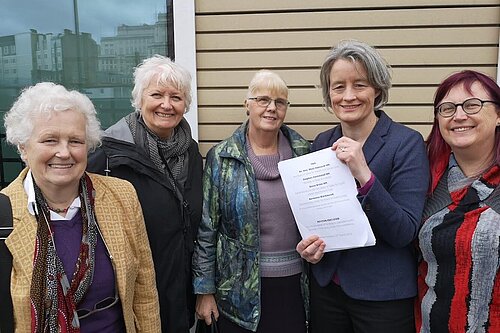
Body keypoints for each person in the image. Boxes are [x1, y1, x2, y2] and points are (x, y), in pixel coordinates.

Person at [1, 82, 160, 332]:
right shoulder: (4, 213)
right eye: (50, 140)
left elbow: (144, 289)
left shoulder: (122, 196)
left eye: (75, 141)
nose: (64, 153)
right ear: (23, 147)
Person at [296, 40, 429, 333]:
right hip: (328, 288)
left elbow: (404, 231)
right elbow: (314, 215)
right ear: (328, 94)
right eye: (338, 86)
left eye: (360, 85)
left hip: (383, 295)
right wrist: (308, 247)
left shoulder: (406, 144)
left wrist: (364, 175)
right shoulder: (320, 144)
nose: (348, 96)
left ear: (377, 90)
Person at [87, 55, 202, 332]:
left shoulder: (192, 153)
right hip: (132, 296)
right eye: (156, 95)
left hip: (182, 290)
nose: (166, 104)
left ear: (185, 104)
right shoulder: (108, 158)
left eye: (176, 97)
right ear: (139, 100)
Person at [192, 70, 311, 332]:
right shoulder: (222, 157)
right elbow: (207, 228)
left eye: (280, 102)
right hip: (236, 293)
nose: (272, 108)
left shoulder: (304, 153)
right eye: (263, 100)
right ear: (247, 105)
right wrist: (204, 290)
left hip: (293, 285)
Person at [416, 70, 500, 332]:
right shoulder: (426, 181)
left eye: (473, 104)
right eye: (447, 108)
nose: (459, 115)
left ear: (498, 115)